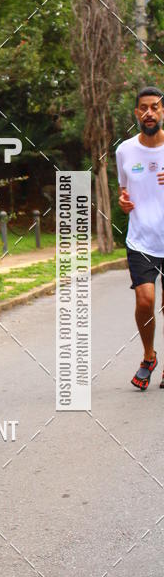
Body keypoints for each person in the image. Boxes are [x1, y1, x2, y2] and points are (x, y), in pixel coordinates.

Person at [116, 86, 164, 391]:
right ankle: (149, 356)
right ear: (137, 113)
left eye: (155, 107)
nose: (149, 112)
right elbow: (124, 191)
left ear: (163, 112)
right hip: (141, 238)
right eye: (144, 108)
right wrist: (122, 202)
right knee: (145, 300)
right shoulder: (125, 150)